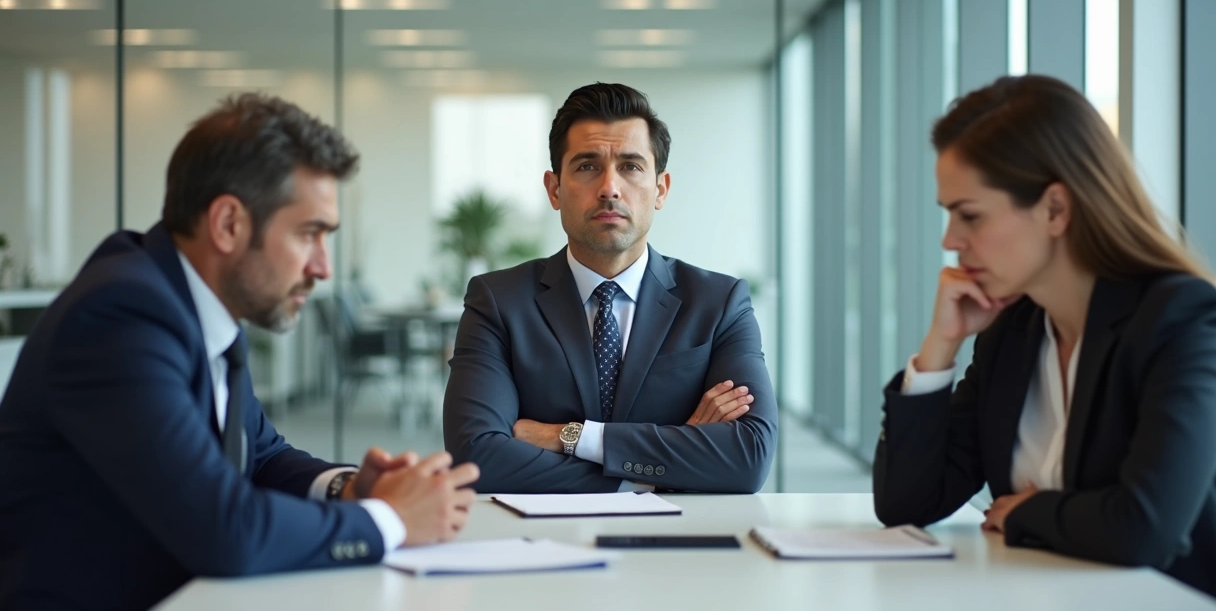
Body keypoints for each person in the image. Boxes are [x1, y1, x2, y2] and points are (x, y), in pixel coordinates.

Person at [0, 93, 479, 610]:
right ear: (228, 224)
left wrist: (348, 488)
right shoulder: (120, 317)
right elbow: (225, 530)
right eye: (309, 234)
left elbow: (261, 456)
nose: (323, 268)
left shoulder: (196, 307)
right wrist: (391, 519)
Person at [872, 74, 1216, 597]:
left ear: (1056, 209)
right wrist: (940, 346)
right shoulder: (1014, 330)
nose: (951, 240)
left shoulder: (1179, 320)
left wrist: (1028, 512)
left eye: (970, 216)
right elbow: (906, 504)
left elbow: (1144, 527)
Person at [443, 82, 776, 493]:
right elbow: (475, 457)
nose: (609, 188)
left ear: (660, 189)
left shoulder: (719, 303)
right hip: (543, 531)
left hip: (678, 531)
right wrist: (660, 470)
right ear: (554, 189)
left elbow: (749, 457)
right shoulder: (498, 302)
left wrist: (571, 437)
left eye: (631, 167)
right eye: (587, 166)